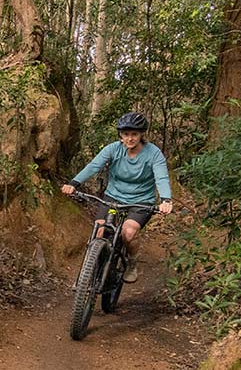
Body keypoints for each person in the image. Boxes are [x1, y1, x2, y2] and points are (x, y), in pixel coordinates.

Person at [61, 111, 173, 282]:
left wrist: (166, 200)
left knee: (128, 232)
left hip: (140, 202)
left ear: (141, 134)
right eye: (126, 134)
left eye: (134, 134)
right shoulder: (113, 149)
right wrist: (73, 183)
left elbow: (161, 177)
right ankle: (91, 271)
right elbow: (94, 166)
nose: (130, 138)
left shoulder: (153, 153)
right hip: (113, 197)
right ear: (121, 135)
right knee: (100, 230)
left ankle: (132, 262)